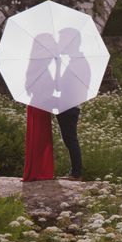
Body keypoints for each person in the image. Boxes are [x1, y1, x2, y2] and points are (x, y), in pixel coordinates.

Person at [55, 27, 89, 181]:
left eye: (63, 40)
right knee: (69, 139)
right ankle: (75, 172)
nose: (60, 43)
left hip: (70, 105)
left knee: (71, 139)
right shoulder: (74, 61)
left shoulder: (79, 62)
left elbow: (75, 85)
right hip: (68, 105)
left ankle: (76, 173)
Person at [22, 33, 56, 182]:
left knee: (39, 139)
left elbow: (29, 87)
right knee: (40, 139)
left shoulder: (35, 63)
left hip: (38, 104)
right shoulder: (40, 65)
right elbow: (51, 86)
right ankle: (38, 172)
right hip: (40, 105)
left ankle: (37, 171)